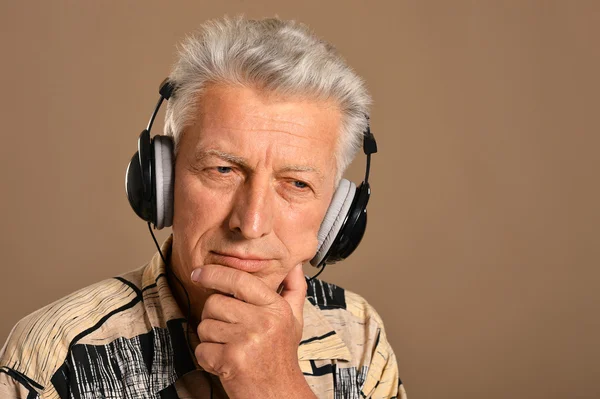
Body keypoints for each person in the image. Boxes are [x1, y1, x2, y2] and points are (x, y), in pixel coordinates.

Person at [0, 16, 407, 399]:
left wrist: (277, 386)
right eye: (223, 169)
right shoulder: (54, 357)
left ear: (337, 213)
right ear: (162, 181)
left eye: (297, 184)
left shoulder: (360, 335)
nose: (250, 224)